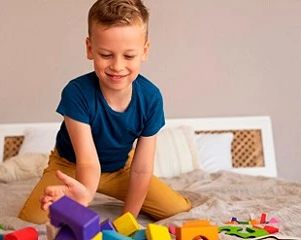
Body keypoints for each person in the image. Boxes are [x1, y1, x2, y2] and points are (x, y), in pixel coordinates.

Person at [18, 0, 192, 224]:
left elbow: (141, 169)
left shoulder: (151, 98)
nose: (117, 66)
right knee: (32, 219)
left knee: (178, 210)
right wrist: (83, 198)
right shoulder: (76, 93)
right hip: (70, 166)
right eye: (106, 55)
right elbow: (88, 162)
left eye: (129, 56)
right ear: (90, 49)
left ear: (145, 51)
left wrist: (127, 219)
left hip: (121, 169)